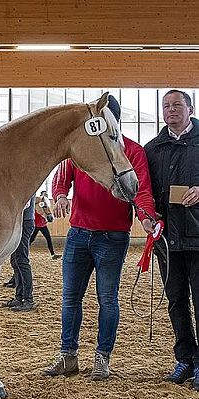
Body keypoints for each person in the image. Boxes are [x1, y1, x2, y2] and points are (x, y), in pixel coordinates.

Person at [43, 95, 156, 380]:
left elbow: (140, 190)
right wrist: (59, 196)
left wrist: (145, 215)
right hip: (79, 233)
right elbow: (62, 174)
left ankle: (102, 359)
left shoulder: (133, 151)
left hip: (113, 236)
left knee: (107, 299)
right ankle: (67, 356)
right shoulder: (82, 148)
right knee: (70, 298)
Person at [145, 89, 199, 391]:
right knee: (176, 302)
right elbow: (146, 193)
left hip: (197, 237)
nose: (171, 110)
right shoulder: (153, 148)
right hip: (167, 241)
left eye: (177, 105)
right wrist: (148, 216)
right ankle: (185, 359)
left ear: (190, 108)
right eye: (166, 106)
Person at [2, 195, 37, 312]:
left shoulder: (28, 184)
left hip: (24, 221)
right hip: (19, 221)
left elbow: (23, 203)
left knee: (22, 260)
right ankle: (19, 296)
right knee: (16, 260)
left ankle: (28, 299)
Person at [30, 191, 60, 260]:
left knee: (48, 239)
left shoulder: (45, 203)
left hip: (43, 225)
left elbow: (46, 211)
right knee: (31, 239)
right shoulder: (37, 204)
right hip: (36, 225)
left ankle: (53, 254)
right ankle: (24, 252)